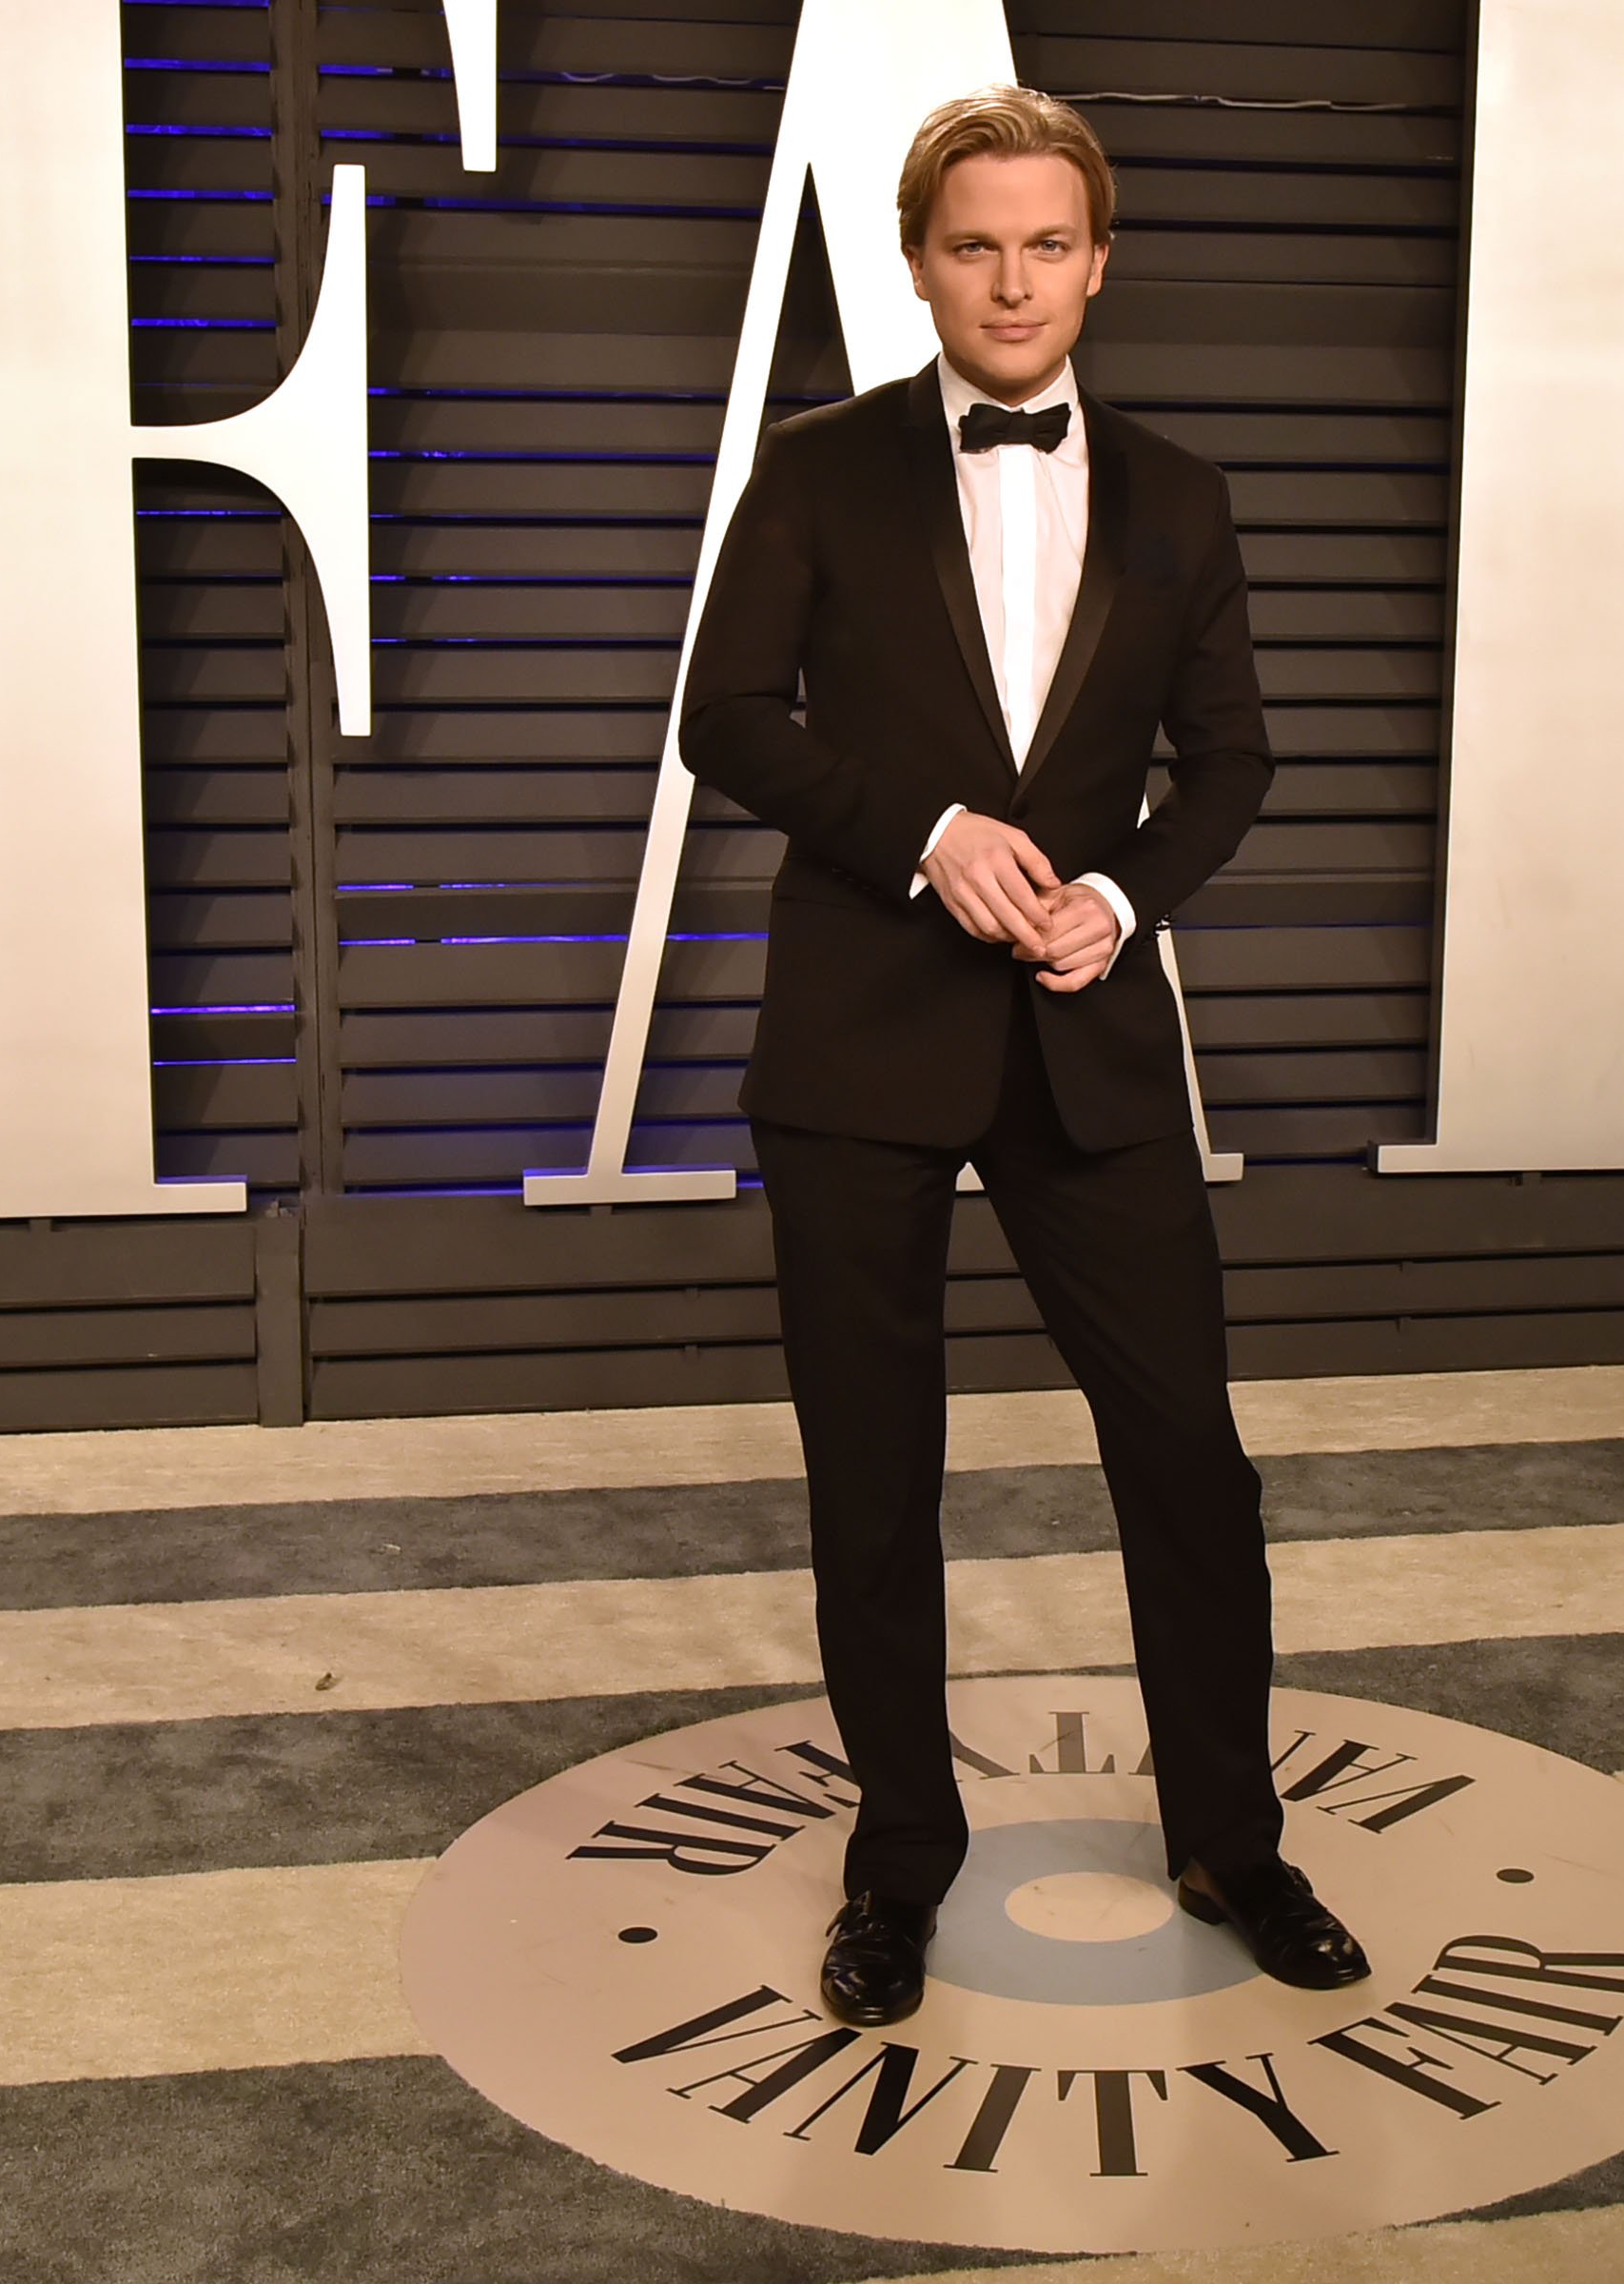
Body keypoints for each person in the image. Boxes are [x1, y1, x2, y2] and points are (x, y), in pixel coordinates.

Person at [677, 85, 1369, 2028]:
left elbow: (1231, 761)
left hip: (1089, 1042)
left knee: (1190, 1464)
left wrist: (1125, 896)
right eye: (974, 245)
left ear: (1097, 261)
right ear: (919, 264)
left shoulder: (1180, 494)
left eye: (1046, 244)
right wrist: (922, 834)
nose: (1011, 280)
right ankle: (899, 1865)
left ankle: (1232, 1839)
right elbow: (726, 715)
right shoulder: (818, 468)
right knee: (874, 1481)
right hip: (859, 1041)